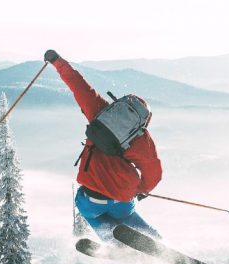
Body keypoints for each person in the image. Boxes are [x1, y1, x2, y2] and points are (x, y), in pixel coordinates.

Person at [44, 49, 162, 241]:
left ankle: (111, 242)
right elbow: (153, 173)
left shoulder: (100, 112)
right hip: (123, 198)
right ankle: (156, 240)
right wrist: (142, 189)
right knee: (127, 215)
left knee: (89, 211)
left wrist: (57, 61)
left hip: (93, 199)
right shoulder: (142, 139)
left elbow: (78, 85)